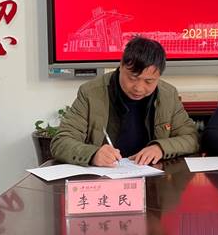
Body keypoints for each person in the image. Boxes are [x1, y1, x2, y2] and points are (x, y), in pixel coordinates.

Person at [51, 36, 199, 166]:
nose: (139, 88)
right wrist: (93, 154)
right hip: (105, 179)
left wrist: (160, 148)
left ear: (159, 76)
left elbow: (192, 138)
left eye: (149, 81)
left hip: (153, 180)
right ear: (121, 66)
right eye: (132, 78)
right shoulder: (91, 93)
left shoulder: (168, 95)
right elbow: (61, 141)